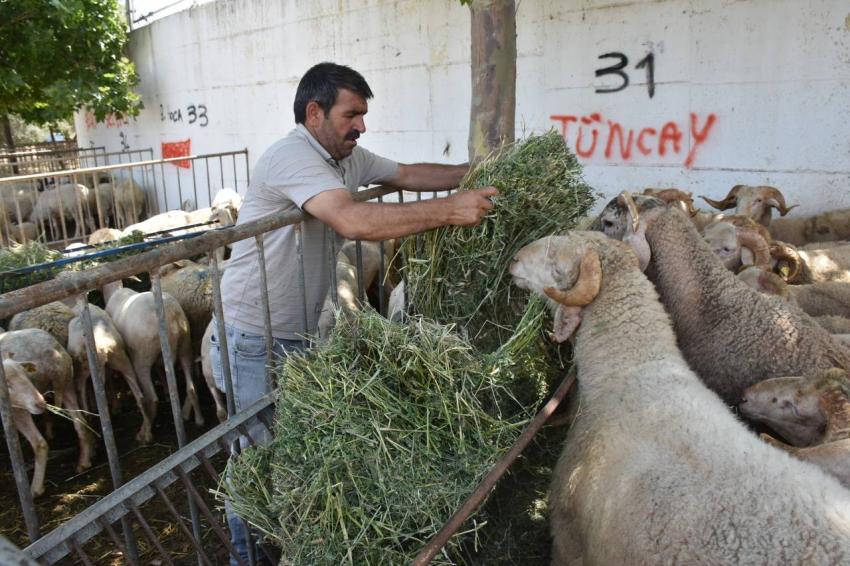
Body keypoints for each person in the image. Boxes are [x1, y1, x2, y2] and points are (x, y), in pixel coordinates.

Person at [209, 62, 498, 563]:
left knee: (289, 448)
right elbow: (353, 218)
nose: (361, 126)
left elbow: (407, 174)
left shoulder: (346, 157)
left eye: (363, 115)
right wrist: (452, 208)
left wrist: (483, 172)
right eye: (352, 114)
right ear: (315, 112)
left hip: (295, 331)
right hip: (252, 336)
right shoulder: (292, 156)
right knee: (255, 461)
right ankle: (246, 557)